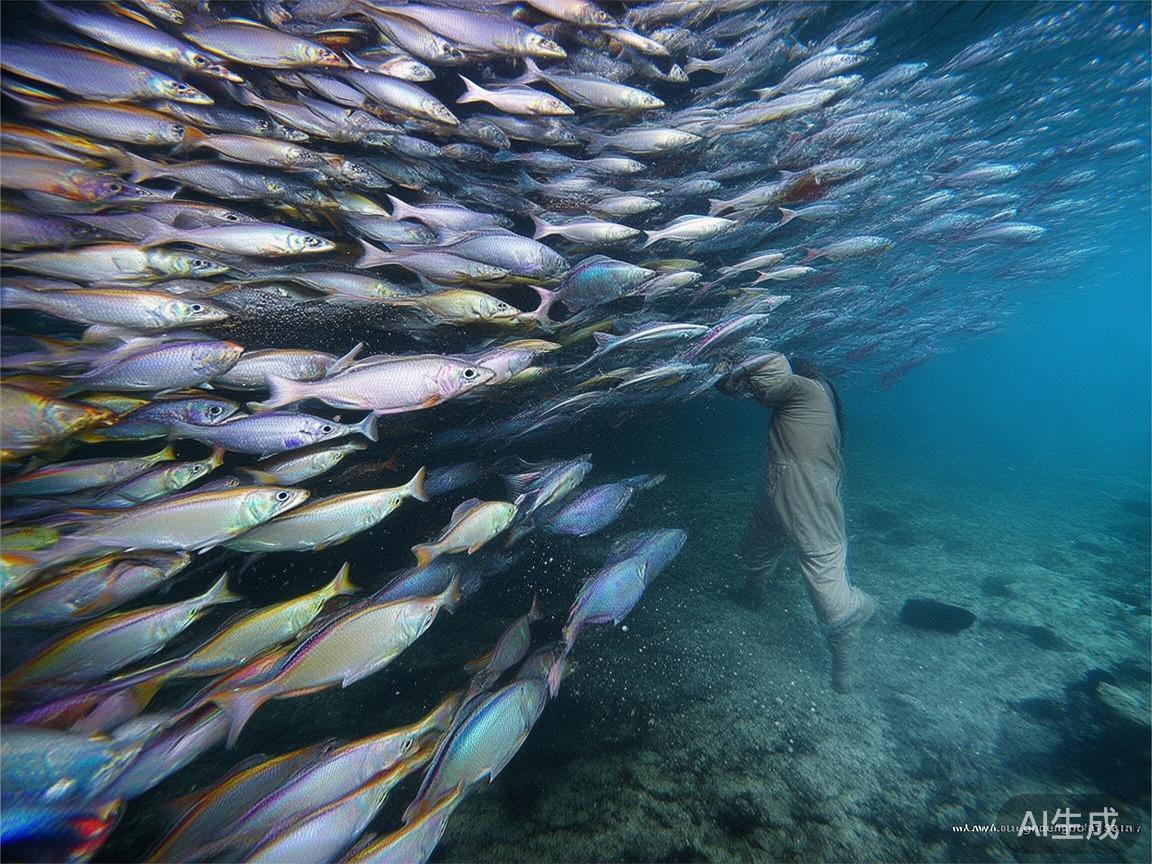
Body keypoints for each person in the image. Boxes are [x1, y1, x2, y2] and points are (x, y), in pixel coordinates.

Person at [715, 352, 875, 693]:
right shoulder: (812, 400)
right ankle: (752, 594)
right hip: (777, 495)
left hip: (810, 503)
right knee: (756, 547)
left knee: (824, 580)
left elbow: (772, 373)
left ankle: (847, 649)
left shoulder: (810, 389)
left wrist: (741, 363)